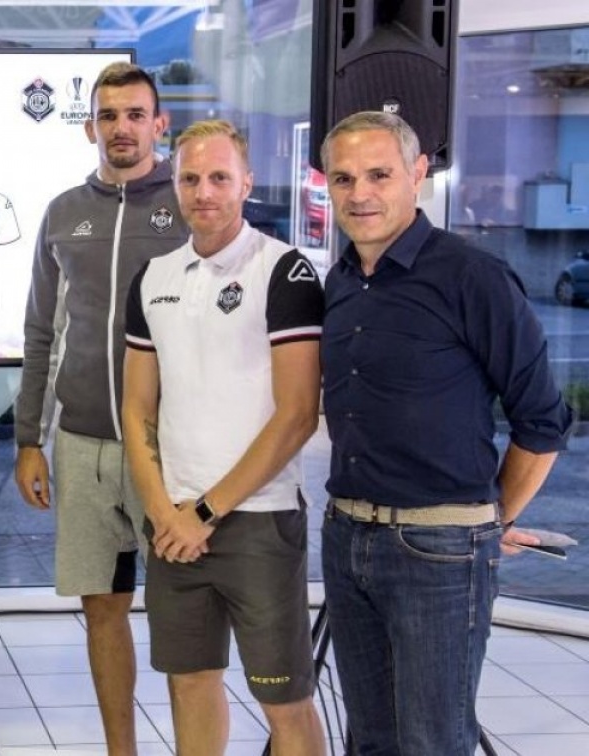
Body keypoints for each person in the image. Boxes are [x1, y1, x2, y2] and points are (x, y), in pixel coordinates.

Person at [318, 111, 573, 754]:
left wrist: (490, 522)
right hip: (346, 537)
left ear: (418, 173)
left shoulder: (472, 277)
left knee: (433, 741)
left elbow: (542, 421)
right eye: (344, 178)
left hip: (439, 551)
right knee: (370, 739)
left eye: (379, 174)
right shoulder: (341, 279)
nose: (360, 193)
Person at [121, 119, 326, 755]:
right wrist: (163, 511)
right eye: (190, 178)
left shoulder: (283, 270)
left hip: (258, 521)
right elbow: (136, 408)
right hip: (174, 523)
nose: (203, 191)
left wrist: (205, 512)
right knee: (189, 683)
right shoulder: (153, 277)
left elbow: (298, 414)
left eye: (218, 177)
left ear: (246, 183)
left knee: (285, 702)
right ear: (174, 185)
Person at [14, 61, 187, 753]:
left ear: (159, 123)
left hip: (171, 448)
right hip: (83, 445)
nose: (122, 128)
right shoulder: (63, 213)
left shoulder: (190, 204)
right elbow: (40, 331)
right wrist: (29, 439)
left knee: (182, 616)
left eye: (135, 115)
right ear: (90, 127)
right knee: (103, 611)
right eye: (109, 116)